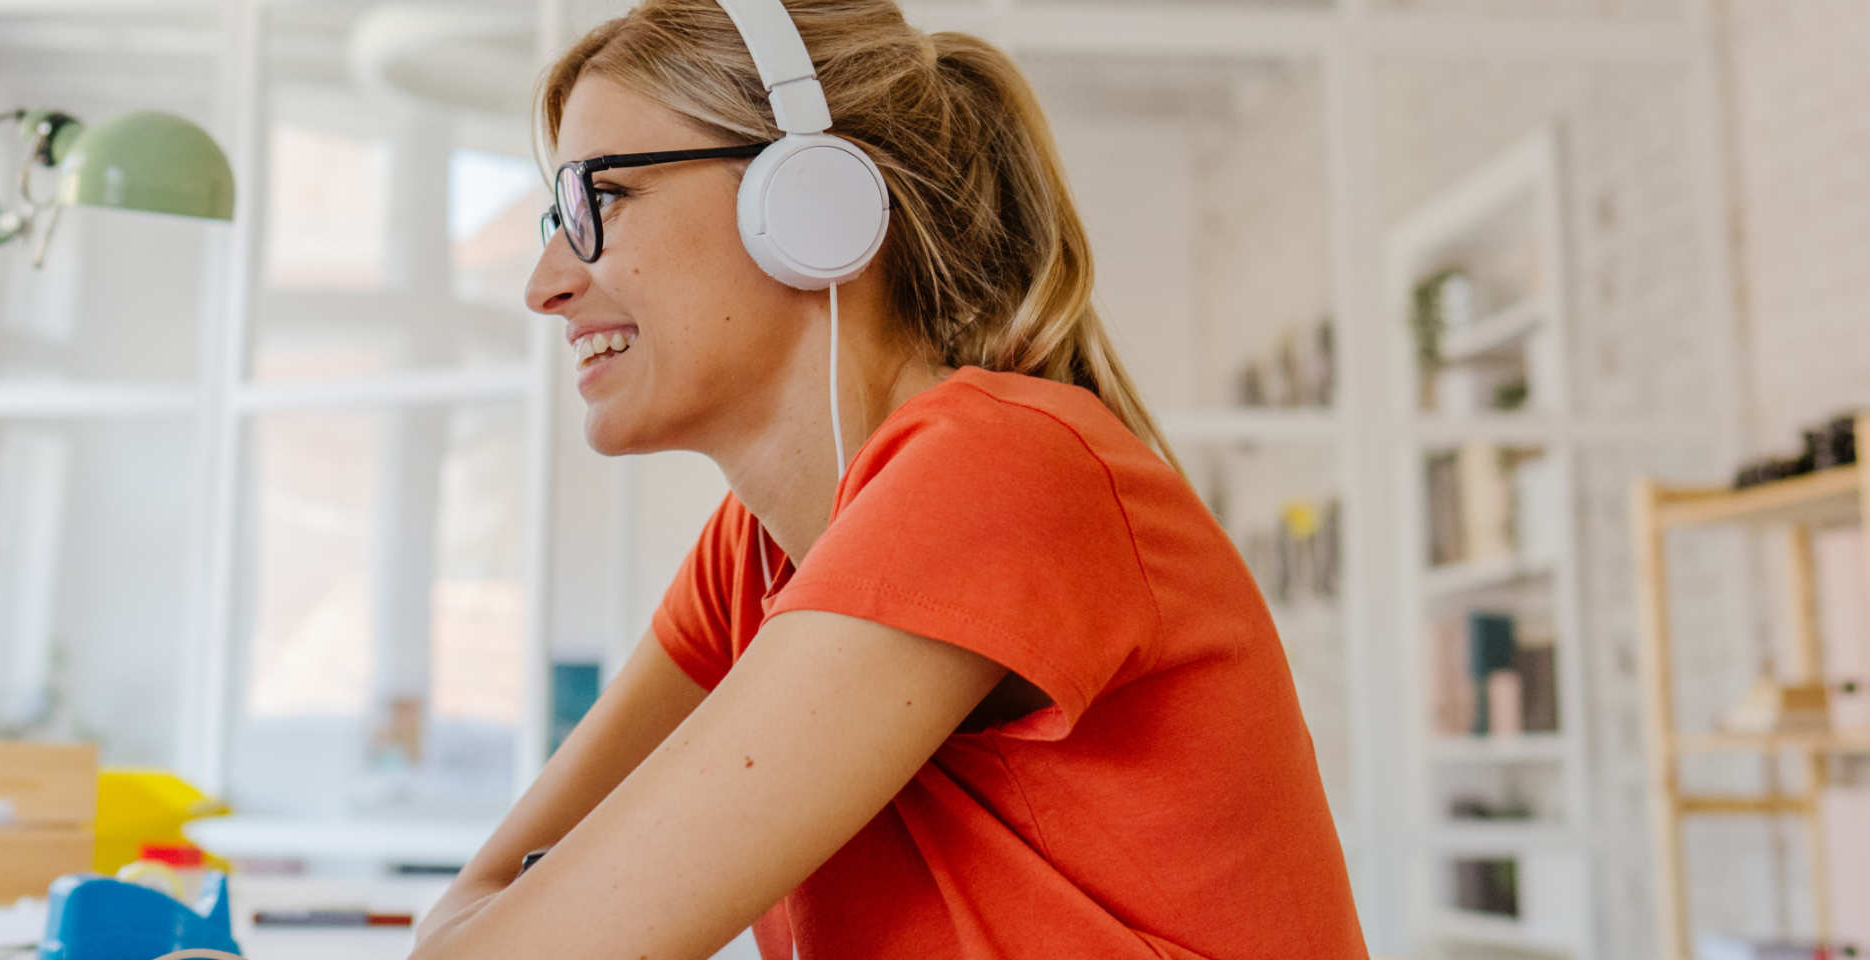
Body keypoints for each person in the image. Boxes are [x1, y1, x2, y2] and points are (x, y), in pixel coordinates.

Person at [405, 0, 1368, 956]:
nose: (545, 283)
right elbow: (465, 919)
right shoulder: (751, 557)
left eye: (600, 199)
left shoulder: (999, 469)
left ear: (805, 199)